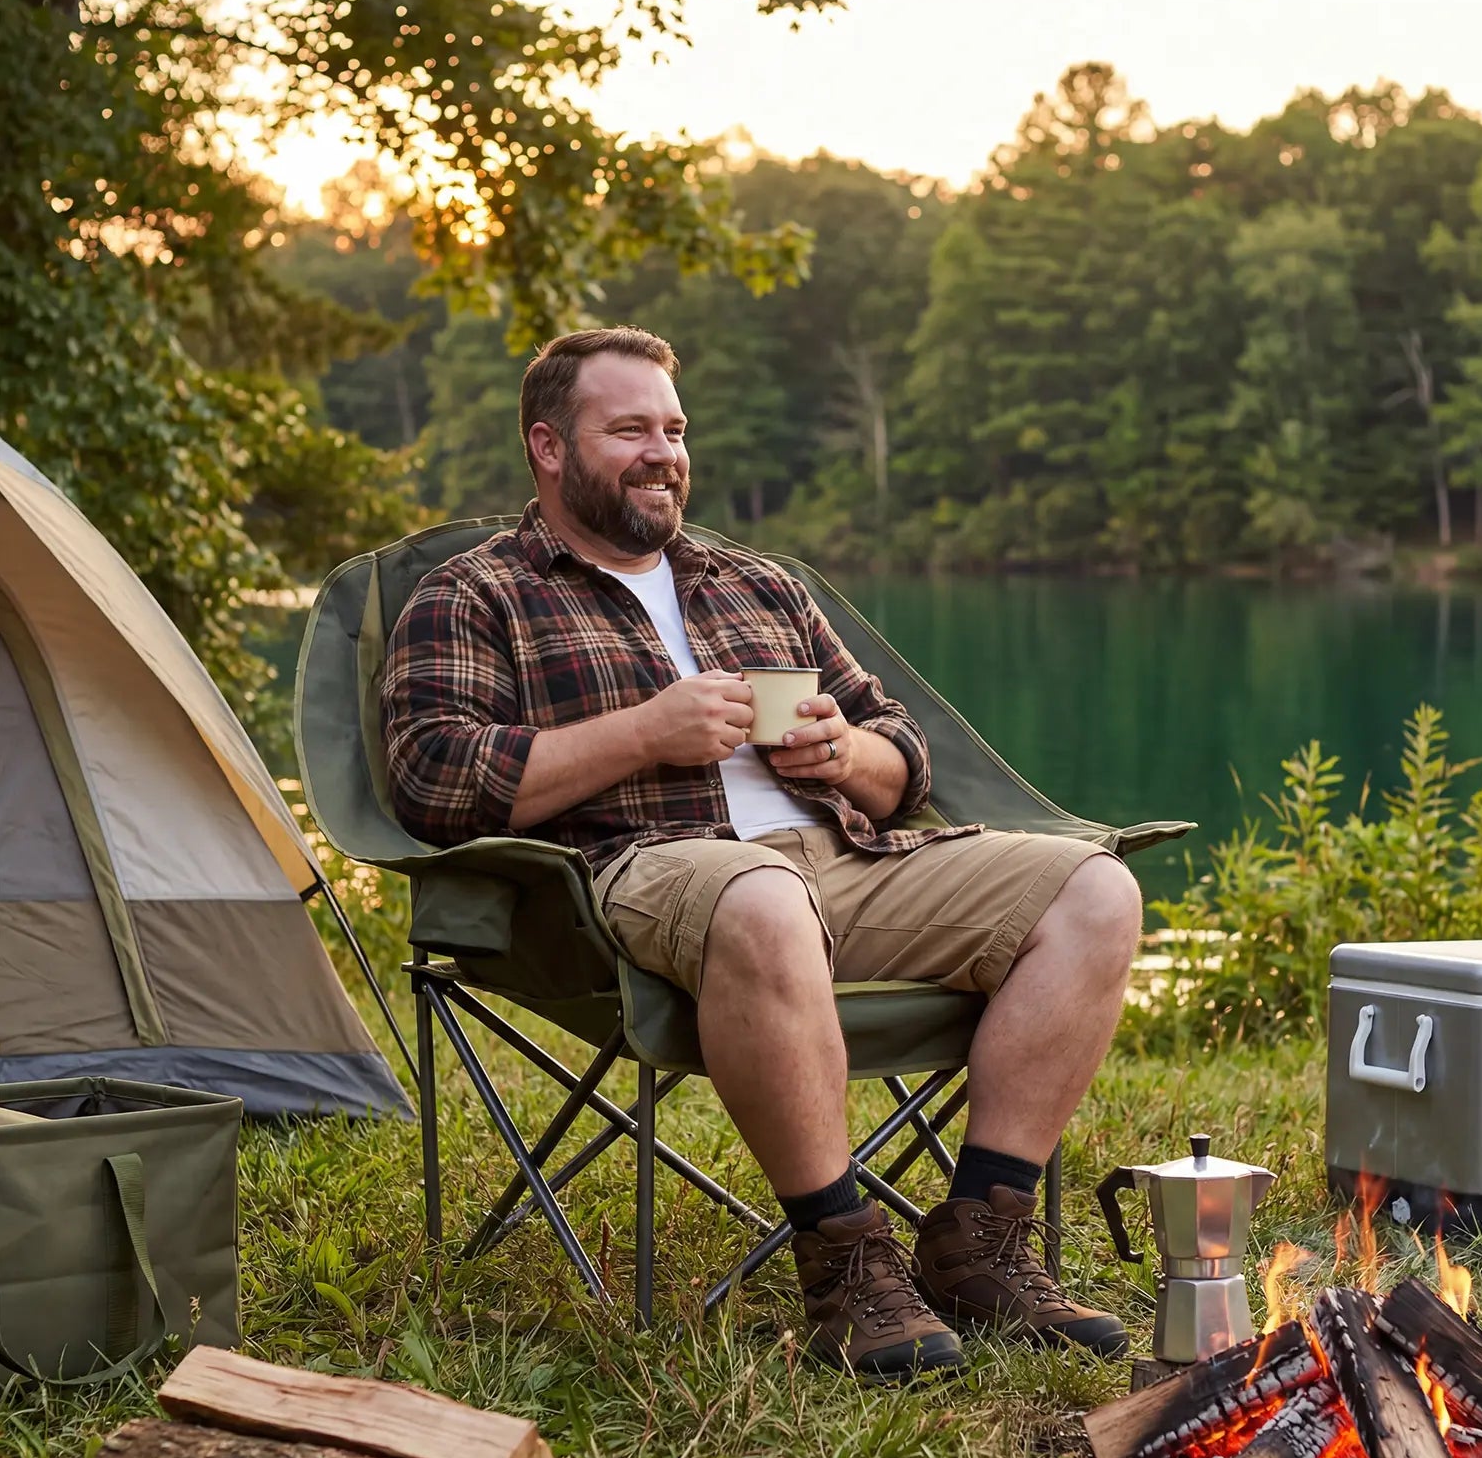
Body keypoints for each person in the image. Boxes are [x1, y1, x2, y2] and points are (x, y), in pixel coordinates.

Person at [382, 326, 1144, 1383]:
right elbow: (431, 776)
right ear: (549, 448)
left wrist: (848, 754)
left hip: (837, 854)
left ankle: (980, 1245)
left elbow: (903, 756)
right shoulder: (477, 593)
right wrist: (644, 733)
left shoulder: (758, 583)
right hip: (641, 868)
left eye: (675, 429)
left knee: (1096, 890)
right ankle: (844, 1263)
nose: (663, 452)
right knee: (761, 896)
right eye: (630, 429)